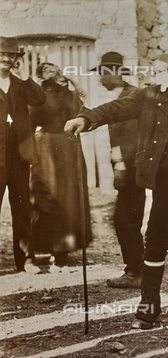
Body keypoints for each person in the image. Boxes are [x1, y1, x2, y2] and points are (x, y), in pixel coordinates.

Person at [64, 29, 168, 328]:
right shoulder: (150, 96)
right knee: (156, 240)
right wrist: (85, 118)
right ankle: (149, 305)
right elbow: (115, 109)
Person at [90, 52, 146, 288]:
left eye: (103, 73)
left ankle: (136, 272)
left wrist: (122, 166)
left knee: (126, 221)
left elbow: (133, 140)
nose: (100, 78)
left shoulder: (131, 97)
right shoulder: (124, 94)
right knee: (126, 220)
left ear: (115, 72)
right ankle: (138, 267)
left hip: (133, 170)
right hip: (128, 169)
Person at [29, 62, 92, 272]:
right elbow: (31, 119)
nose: (54, 73)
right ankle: (42, 249)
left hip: (70, 147)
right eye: (48, 71)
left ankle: (63, 251)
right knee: (47, 195)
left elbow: (83, 109)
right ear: (42, 76)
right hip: (47, 148)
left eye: (56, 70)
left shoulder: (70, 93)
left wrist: (71, 84)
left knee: (70, 198)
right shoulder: (40, 94)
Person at [0, 37, 46, 273]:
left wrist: (26, 76)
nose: (6, 59)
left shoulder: (19, 84)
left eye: (10, 55)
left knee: (21, 206)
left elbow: (40, 99)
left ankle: (26, 259)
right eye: (2, 54)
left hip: (18, 154)